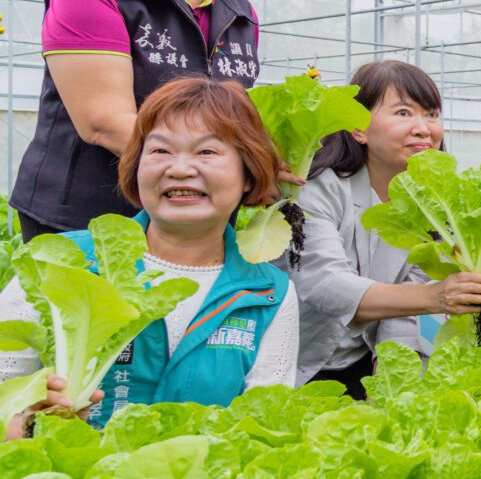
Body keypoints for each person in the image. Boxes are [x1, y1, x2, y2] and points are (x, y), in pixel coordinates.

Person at [0, 76, 298, 426]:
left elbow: (264, 427)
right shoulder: (62, 261)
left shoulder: (269, 294)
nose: (181, 169)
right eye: (160, 150)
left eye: (206, 152)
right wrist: (27, 422)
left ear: (248, 174)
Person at [10, 0, 262, 239]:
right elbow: (103, 123)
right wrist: (242, 165)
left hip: (196, 222)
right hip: (86, 222)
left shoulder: (241, 13)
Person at [290, 61, 481, 396]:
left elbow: (409, 299)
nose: (424, 128)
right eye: (404, 113)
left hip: (363, 361)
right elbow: (325, 283)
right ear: (358, 128)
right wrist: (436, 296)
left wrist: (394, 374)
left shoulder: (429, 204)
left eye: (432, 114)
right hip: (298, 362)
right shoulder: (318, 188)